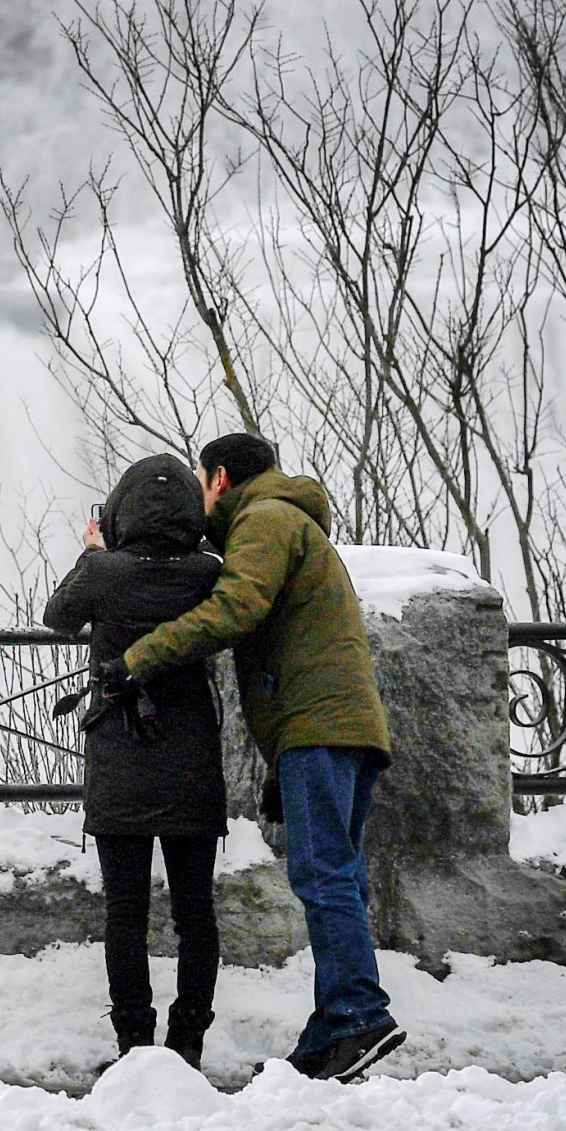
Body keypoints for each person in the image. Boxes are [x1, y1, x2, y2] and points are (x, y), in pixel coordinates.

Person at [109, 432, 404, 1083]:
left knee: (325, 874)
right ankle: (332, 1027)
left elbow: (236, 606)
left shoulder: (266, 519)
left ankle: (357, 1013)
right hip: (337, 726)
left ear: (218, 479)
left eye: (199, 483)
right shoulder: (289, 519)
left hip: (319, 727)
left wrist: (138, 656)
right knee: (339, 874)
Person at [44, 455, 226, 1070]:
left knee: (125, 912)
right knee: (195, 911)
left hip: (121, 756)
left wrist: (92, 553)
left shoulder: (103, 572)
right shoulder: (207, 573)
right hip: (191, 757)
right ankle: (188, 1041)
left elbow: (57, 617)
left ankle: (134, 1046)